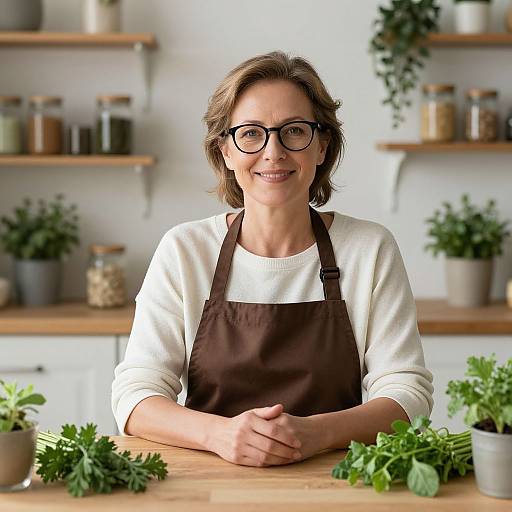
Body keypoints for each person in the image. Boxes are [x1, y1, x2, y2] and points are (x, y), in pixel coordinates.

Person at [112, 51, 433, 468]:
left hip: (338, 483)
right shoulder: (184, 251)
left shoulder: (370, 249)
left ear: (322, 146)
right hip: (208, 486)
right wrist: (220, 434)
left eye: (294, 131)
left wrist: (316, 434)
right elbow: (135, 396)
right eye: (250, 133)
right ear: (225, 151)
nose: (273, 151)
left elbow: (408, 394)